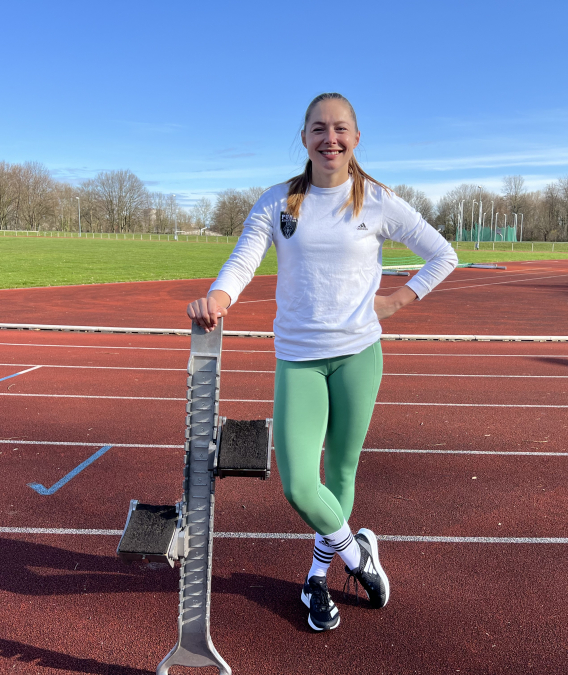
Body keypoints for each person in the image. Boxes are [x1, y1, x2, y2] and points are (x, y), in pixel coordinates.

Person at [187, 92, 457, 632]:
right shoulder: (279, 201)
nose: (329, 138)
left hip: (359, 355)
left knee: (340, 473)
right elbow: (244, 259)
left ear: (356, 138)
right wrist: (220, 296)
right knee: (298, 486)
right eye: (318, 128)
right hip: (299, 360)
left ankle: (316, 576)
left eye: (339, 129)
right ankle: (357, 556)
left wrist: (397, 300)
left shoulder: (377, 200)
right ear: (304, 137)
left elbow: (442, 254)